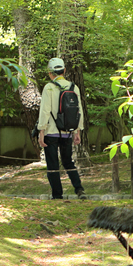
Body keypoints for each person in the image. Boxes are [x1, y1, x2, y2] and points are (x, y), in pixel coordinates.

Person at [37, 57, 86, 200]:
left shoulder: (49, 87)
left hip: (51, 133)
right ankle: (79, 189)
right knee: (68, 162)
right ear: (64, 70)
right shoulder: (73, 87)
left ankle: (57, 195)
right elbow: (79, 111)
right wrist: (78, 131)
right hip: (67, 131)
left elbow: (45, 111)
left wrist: (41, 131)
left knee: (52, 165)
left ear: (50, 73)